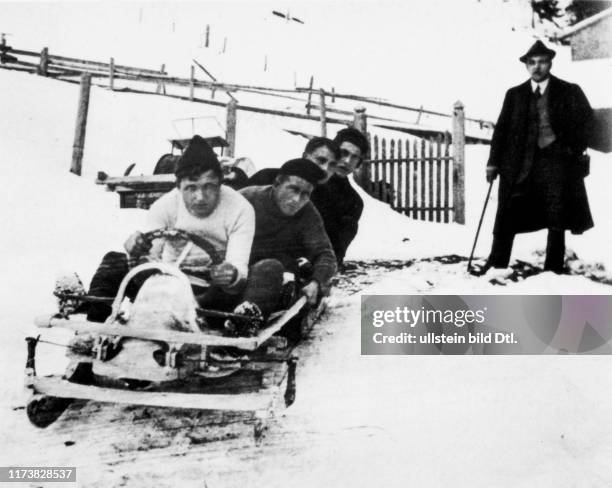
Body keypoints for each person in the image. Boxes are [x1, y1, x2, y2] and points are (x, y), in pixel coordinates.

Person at [86, 135, 259, 326]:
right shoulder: (165, 206)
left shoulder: (240, 209)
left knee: (256, 275)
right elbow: (149, 258)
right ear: (178, 186)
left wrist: (231, 275)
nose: (200, 197)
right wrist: (136, 250)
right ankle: (93, 329)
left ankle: (230, 332)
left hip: (210, 292)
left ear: (220, 182)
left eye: (209, 186)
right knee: (113, 261)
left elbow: (238, 266)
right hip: (166, 282)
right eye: (191, 188)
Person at [482, 41, 594, 275]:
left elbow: (588, 123)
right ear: (526, 66)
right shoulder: (514, 95)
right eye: (531, 62)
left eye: (542, 61)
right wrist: (493, 162)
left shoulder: (569, 91)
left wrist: (572, 149)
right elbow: (500, 131)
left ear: (550, 63)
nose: (537, 67)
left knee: (557, 215)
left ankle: (553, 269)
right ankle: (497, 262)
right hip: (519, 165)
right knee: (507, 212)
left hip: (557, 165)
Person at [230, 158, 337, 332]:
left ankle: (244, 322)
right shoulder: (246, 198)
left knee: (274, 270)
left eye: (305, 194)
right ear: (277, 183)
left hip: (274, 275)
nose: (297, 199)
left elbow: (325, 253)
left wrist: (317, 282)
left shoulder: (307, 213)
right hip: (236, 269)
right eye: (293, 189)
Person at [310, 127, 369, 268]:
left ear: (359, 164)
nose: (348, 161)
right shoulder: (305, 181)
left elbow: (336, 249)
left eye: (354, 157)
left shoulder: (353, 201)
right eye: (344, 153)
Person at [246, 137, 340, 187]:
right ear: (305, 156)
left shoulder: (331, 200)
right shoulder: (267, 178)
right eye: (320, 160)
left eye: (332, 165)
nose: (325, 168)